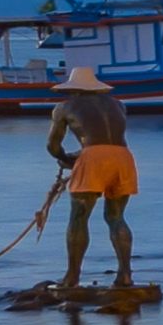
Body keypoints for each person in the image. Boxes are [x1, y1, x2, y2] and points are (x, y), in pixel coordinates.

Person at [44, 66, 142, 297]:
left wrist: (65, 159)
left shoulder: (64, 107)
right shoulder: (118, 105)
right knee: (116, 217)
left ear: (74, 90)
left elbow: (52, 146)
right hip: (122, 156)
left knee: (79, 217)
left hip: (93, 159)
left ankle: (72, 277)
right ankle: (125, 274)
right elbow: (105, 139)